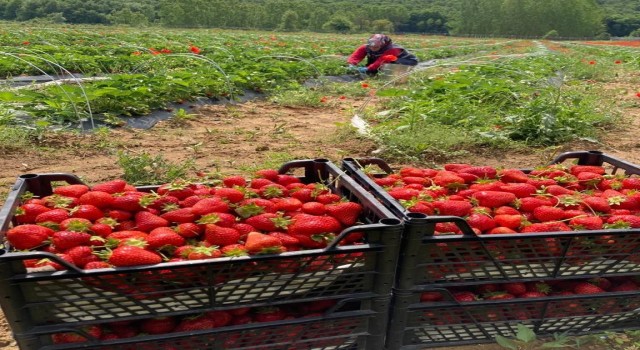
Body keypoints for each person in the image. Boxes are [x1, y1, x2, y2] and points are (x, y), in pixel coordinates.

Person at [347, 34, 418, 75]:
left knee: (390, 61)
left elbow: (382, 60)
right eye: (371, 46)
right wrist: (352, 64)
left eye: (376, 47)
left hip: (407, 61)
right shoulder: (366, 47)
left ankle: (399, 73)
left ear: (383, 45)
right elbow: (356, 56)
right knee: (374, 68)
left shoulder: (393, 49)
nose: (373, 48)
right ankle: (375, 70)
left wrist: (368, 68)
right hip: (383, 61)